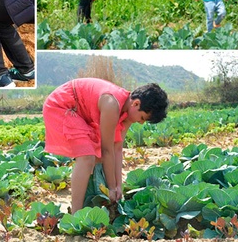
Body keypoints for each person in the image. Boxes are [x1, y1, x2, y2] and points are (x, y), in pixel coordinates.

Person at [42, 78, 168, 213]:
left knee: (97, 157)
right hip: (62, 105)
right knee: (87, 157)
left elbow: (117, 148)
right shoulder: (112, 105)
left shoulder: (129, 111)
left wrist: (119, 186)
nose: (141, 123)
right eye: (142, 118)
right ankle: (76, 213)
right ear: (136, 104)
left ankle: (86, 202)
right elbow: (107, 149)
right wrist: (111, 188)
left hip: (82, 112)